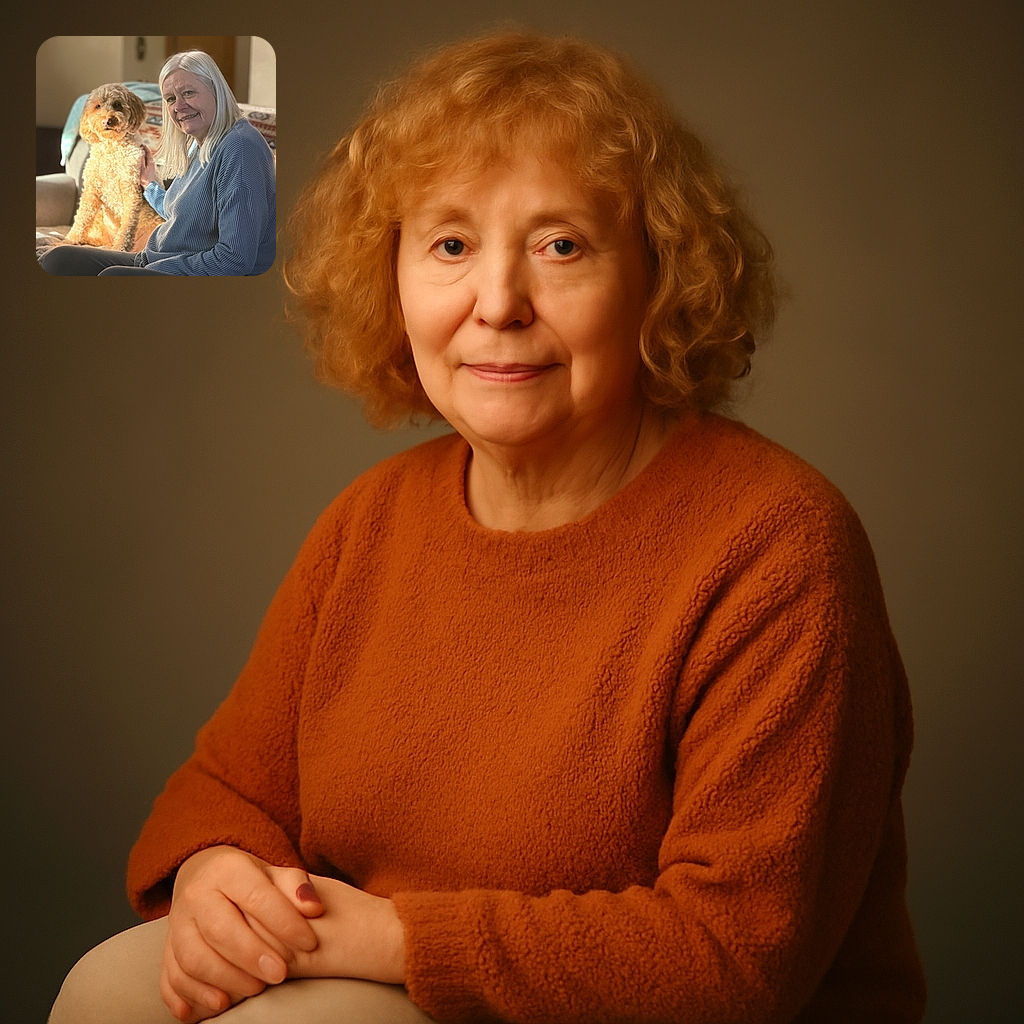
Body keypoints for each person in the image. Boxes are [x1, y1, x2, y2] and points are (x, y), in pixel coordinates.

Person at [48, 30, 926, 1024]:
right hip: (397, 980)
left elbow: (730, 960)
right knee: (108, 989)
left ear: (658, 278)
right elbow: (226, 788)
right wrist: (217, 874)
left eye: (561, 246)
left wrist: (396, 936)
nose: (497, 303)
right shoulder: (369, 523)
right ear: (393, 278)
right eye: (451, 245)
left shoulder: (779, 548)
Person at [39, 50, 275, 276]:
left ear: (217, 90)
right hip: (155, 257)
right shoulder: (198, 143)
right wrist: (150, 185)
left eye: (189, 93)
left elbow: (235, 259)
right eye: (170, 98)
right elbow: (182, 214)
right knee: (57, 260)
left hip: (184, 271)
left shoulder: (241, 148)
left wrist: (155, 271)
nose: (178, 106)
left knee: (112, 276)